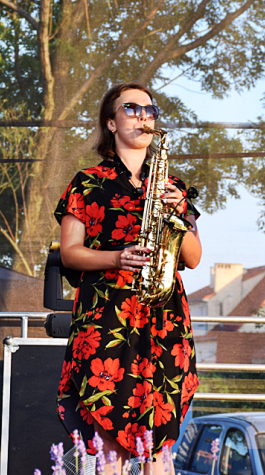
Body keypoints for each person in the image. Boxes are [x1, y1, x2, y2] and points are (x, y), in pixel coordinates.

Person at [54, 82, 202, 473]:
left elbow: (194, 257)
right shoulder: (87, 182)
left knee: (160, 446)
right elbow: (69, 253)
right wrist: (116, 257)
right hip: (106, 317)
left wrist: (179, 213)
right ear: (111, 123)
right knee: (108, 443)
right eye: (131, 108)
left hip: (163, 319)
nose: (142, 115)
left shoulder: (174, 186)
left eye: (149, 110)